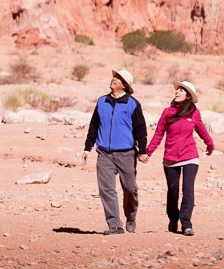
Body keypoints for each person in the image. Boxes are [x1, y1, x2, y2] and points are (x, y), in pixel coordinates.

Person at [141, 80, 215, 236]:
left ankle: (186, 223)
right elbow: (159, 134)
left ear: (188, 96)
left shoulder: (194, 113)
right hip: (170, 157)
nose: (177, 91)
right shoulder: (167, 112)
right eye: (177, 89)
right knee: (173, 191)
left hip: (190, 156)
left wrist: (210, 144)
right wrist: (148, 152)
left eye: (181, 90)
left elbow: (201, 130)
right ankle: (173, 219)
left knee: (188, 189)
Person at [82, 68, 148, 234]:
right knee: (106, 189)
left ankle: (131, 217)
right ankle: (115, 225)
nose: (114, 79)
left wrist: (143, 151)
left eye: (118, 78)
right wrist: (87, 147)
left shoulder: (133, 104)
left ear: (124, 85)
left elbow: (141, 130)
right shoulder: (101, 101)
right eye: (114, 77)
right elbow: (94, 126)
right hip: (104, 153)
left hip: (126, 154)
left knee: (130, 189)